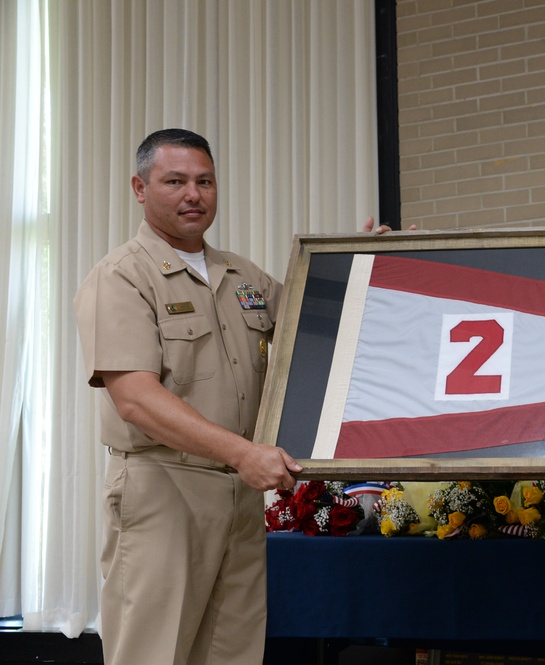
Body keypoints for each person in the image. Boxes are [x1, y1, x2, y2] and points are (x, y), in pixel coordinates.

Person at [73, 128, 391, 665]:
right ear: (140, 188)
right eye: (174, 181)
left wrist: (364, 264)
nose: (193, 194)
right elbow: (137, 400)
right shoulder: (122, 278)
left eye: (204, 181)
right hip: (164, 491)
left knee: (232, 651)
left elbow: (316, 328)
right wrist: (244, 454)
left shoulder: (242, 275)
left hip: (239, 497)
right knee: (153, 653)